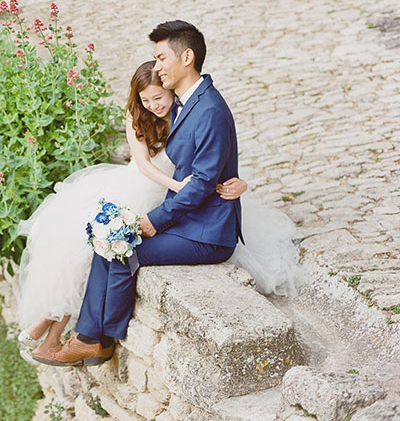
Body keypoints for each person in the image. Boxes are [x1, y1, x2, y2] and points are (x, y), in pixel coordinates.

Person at [21, 21, 301, 367]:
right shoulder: (188, 102)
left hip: (208, 233)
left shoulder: (209, 109)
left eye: (161, 57)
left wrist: (154, 221)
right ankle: (90, 340)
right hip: (189, 218)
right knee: (109, 241)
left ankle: (98, 339)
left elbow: (200, 182)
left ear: (187, 56)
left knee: (124, 251)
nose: (156, 66)